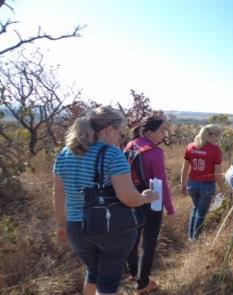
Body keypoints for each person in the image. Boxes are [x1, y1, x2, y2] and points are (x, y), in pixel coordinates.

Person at [53, 106, 158, 295]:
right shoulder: (112, 154)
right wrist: (144, 197)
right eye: (119, 131)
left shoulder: (64, 154)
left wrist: (61, 224)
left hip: (76, 227)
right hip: (110, 227)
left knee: (93, 272)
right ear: (108, 129)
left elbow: (58, 195)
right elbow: (127, 197)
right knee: (108, 282)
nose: (120, 136)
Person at [125, 114, 175, 294]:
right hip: (151, 202)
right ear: (149, 131)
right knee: (148, 243)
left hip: (130, 197)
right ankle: (143, 283)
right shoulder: (154, 152)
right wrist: (170, 209)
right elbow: (162, 185)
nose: (165, 133)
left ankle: (133, 273)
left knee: (133, 238)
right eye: (161, 130)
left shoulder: (131, 145)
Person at [180, 124, 226, 241]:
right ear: (210, 135)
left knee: (195, 209)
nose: (217, 139)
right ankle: (195, 239)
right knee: (201, 213)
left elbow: (185, 169)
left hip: (192, 184)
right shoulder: (215, 150)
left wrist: (182, 184)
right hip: (207, 186)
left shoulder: (191, 146)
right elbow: (217, 174)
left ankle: (191, 237)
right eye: (217, 136)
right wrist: (223, 189)